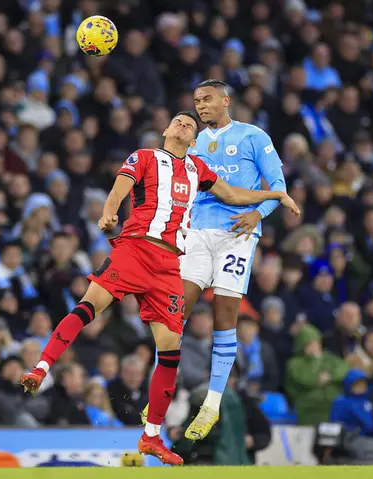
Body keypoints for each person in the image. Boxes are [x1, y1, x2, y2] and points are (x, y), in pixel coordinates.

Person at [20, 111, 299, 465]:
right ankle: (41, 368)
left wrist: (275, 194)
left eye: (190, 125)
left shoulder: (198, 168)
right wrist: (108, 214)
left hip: (169, 265)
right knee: (89, 306)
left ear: (194, 141)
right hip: (135, 248)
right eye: (178, 122)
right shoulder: (144, 157)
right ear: (166, 130)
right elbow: (117, 193)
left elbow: (232, 194)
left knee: (171, 349)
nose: (184, 125)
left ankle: (151, 436)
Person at [145, 79, 289, 441]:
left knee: (225, 317)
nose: (201, 105)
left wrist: (259, 215)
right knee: (174, 311)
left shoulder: (253, 136)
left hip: (237, 235)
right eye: (196, 101)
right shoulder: (191, 144)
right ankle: (161, 390)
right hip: (195, 234)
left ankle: (211, 404)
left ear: (226, 101)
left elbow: (278, 186)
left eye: (207, 99)